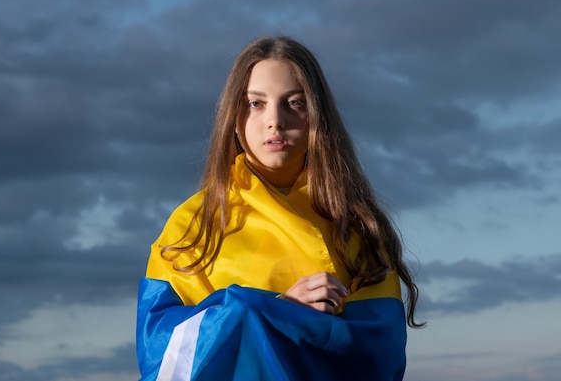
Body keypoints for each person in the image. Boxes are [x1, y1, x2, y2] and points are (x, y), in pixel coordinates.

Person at [136, 36, 424, 381]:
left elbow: (381, 353)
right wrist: (278, 308)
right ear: (234, 117)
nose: (275, 120)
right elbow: (162, 356)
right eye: (256, 104)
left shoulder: (357, 224)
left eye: (295, 103)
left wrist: (266, 319)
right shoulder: (192, 225)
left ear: (317, 115)